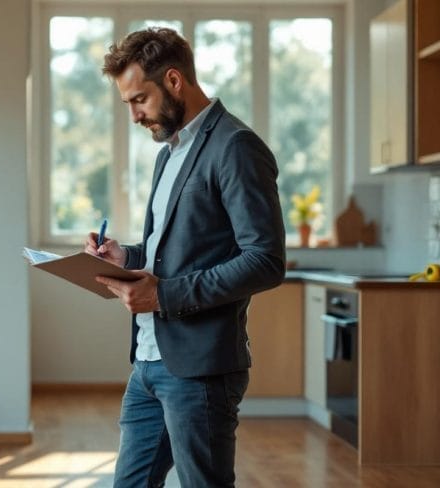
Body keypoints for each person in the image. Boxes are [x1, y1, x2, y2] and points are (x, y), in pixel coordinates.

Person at [83, 28, 286, 487]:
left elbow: (266, 259)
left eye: (140, 100)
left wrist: (164, 296)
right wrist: (125, 254)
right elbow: (175, 250)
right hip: (149, 362)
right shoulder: (169, 152)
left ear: (174, 81)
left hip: (201, 370)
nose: (134, 115)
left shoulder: (236, 147)